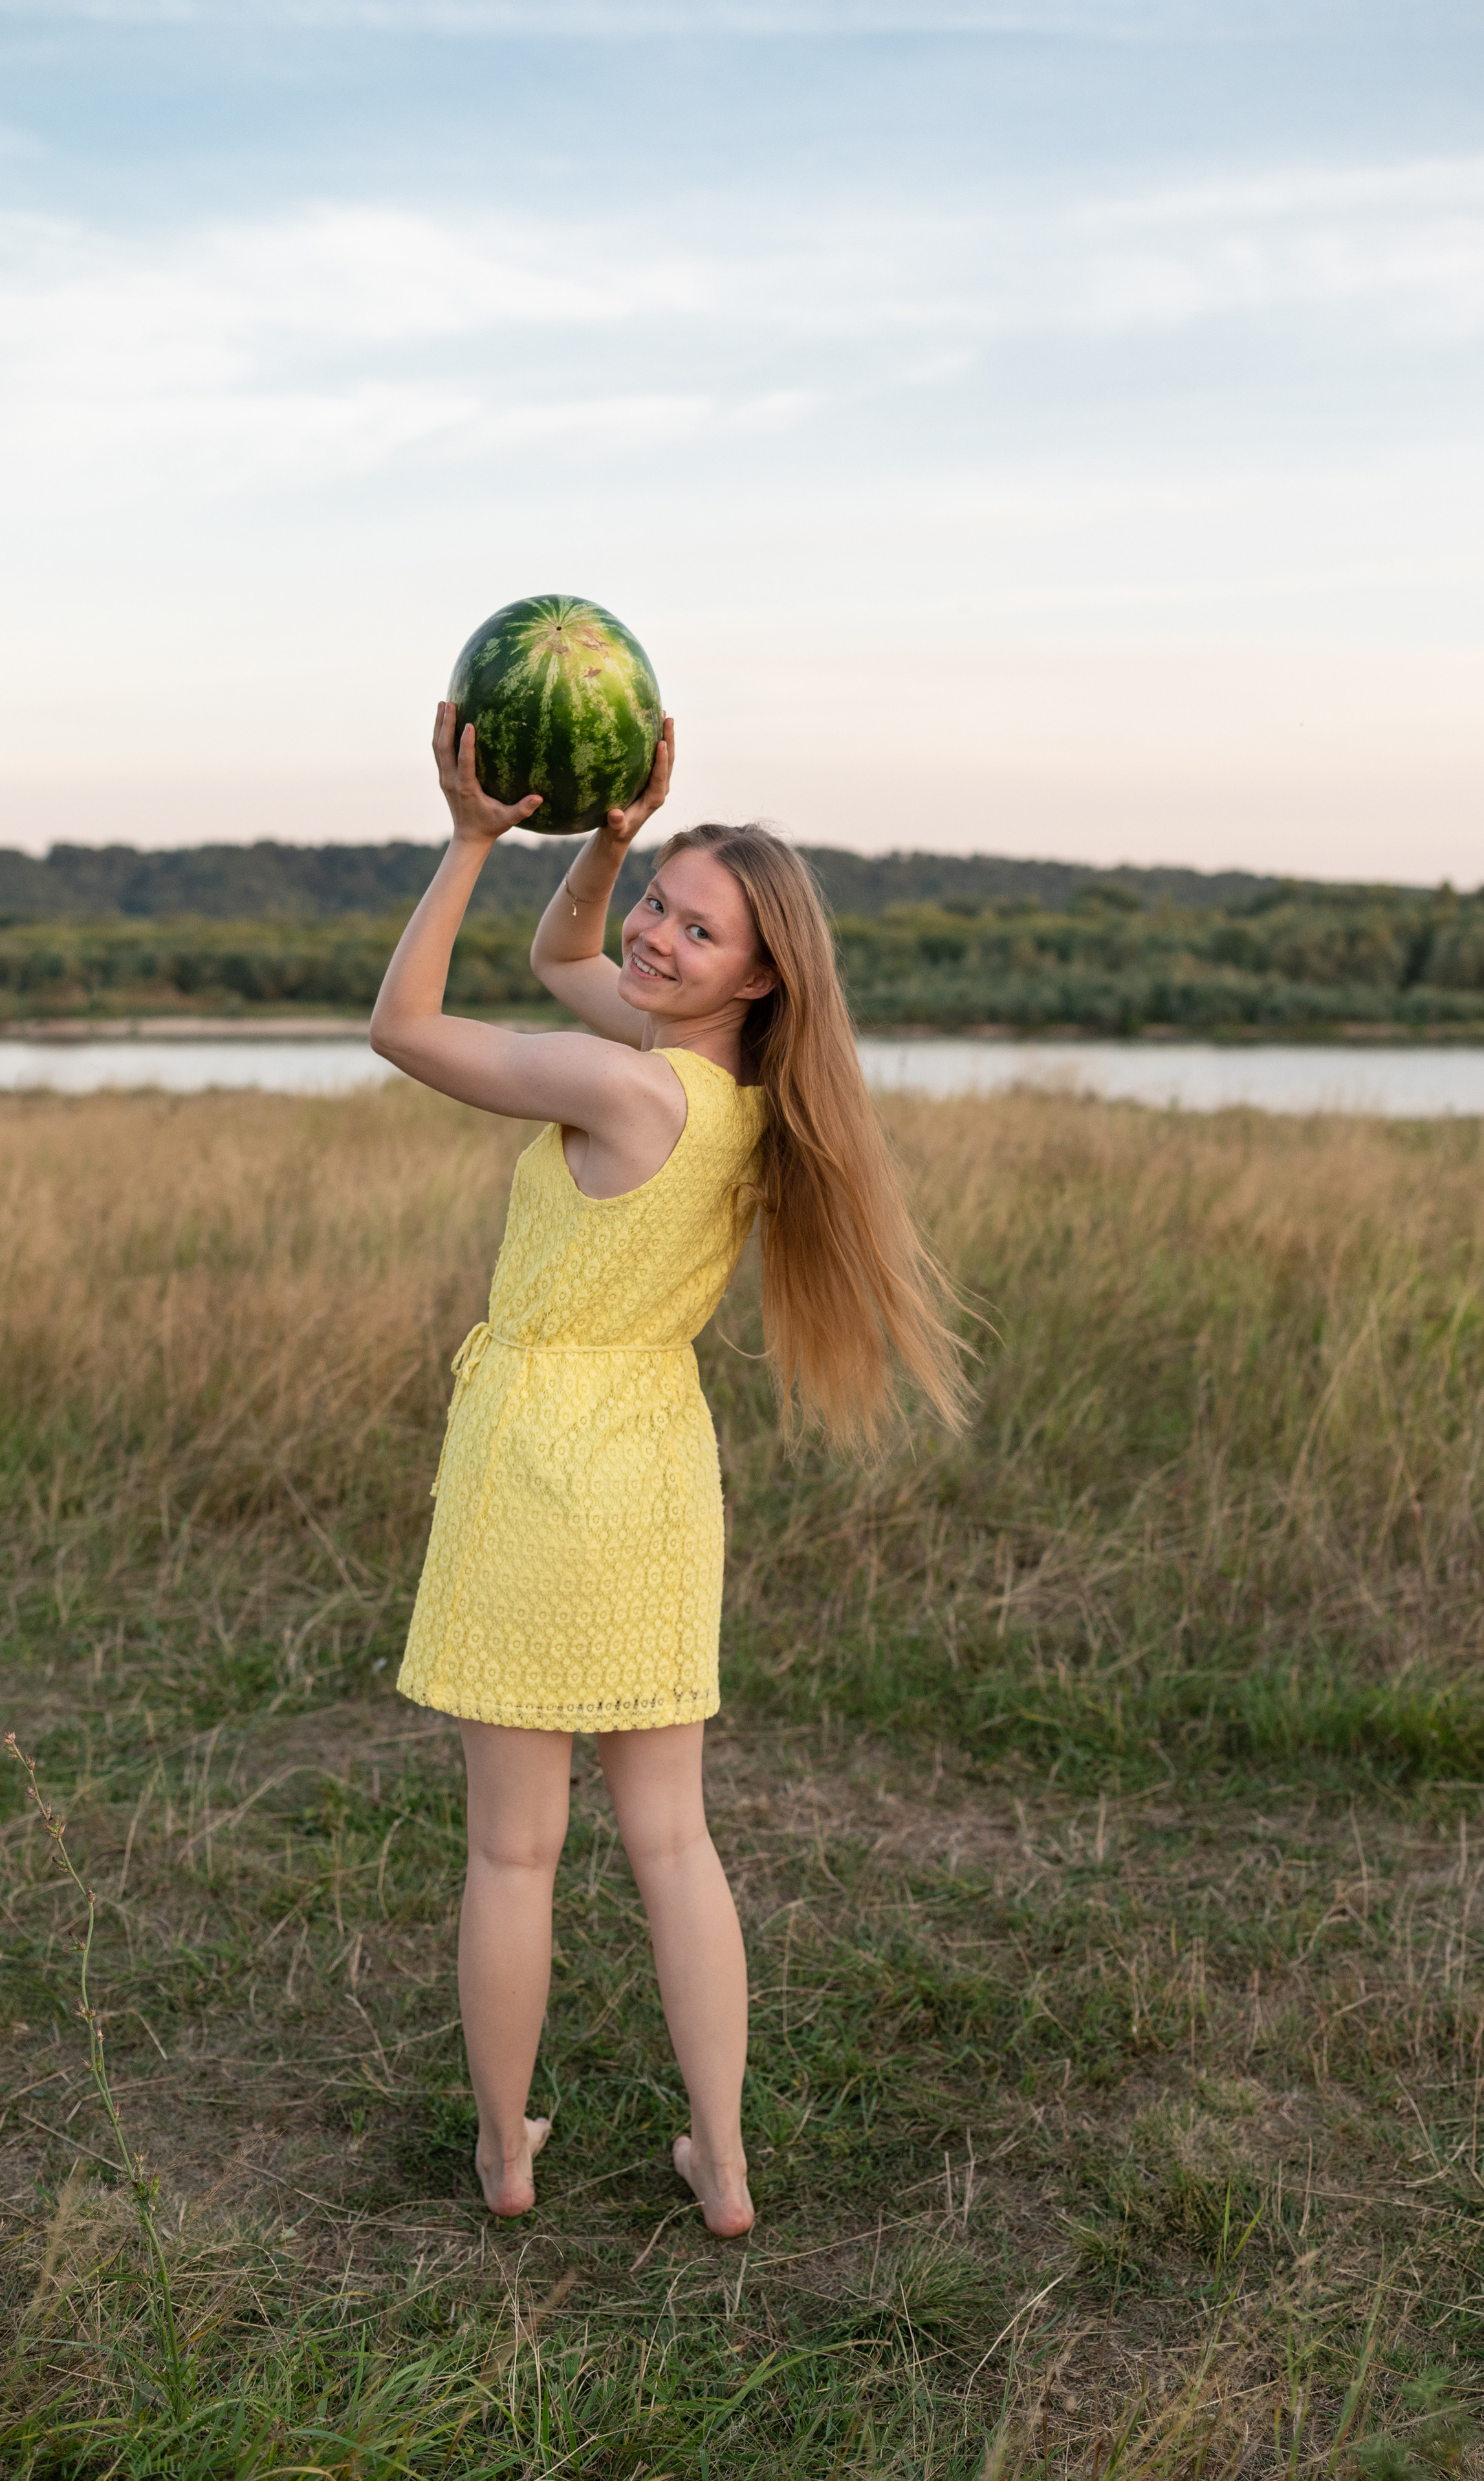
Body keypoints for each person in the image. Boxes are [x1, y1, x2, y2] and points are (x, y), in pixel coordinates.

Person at [370, 701, 967, 2233]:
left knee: (514, 1848)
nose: (650, 938)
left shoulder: (626, 1088)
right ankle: (726, 2164)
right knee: (670, 1837)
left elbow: (406, 1029)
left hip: (542, 1459)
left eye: (695, 932)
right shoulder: (732, 1097)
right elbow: (564, 968)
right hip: (650, 1467)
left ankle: (507, 2158)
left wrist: (467, 844)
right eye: (656, 904)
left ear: (758, 972)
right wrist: (612, 845)